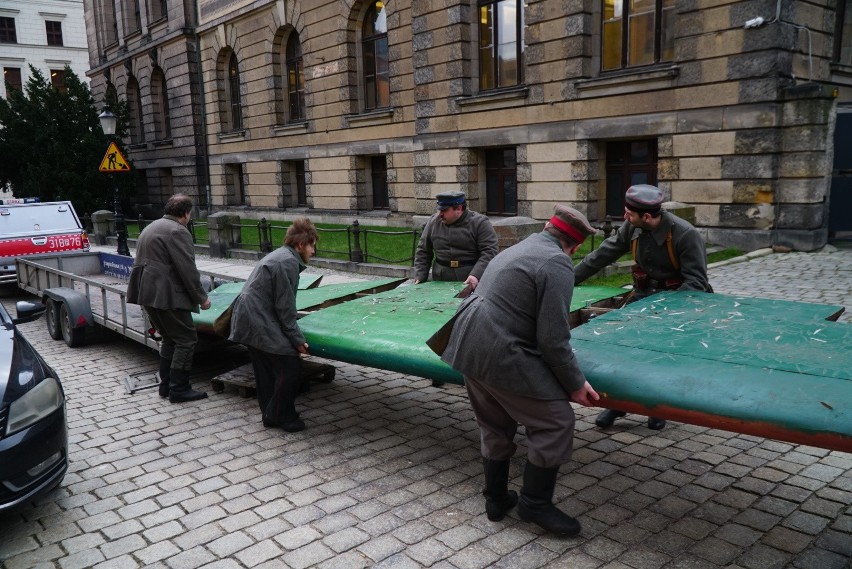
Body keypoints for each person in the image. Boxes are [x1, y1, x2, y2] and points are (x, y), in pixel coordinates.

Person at [439, 205, 600, 536]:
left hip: (466, 342)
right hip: (498, 349)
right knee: (556, 422)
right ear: (577, 245)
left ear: (546, 227)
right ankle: (535, 504)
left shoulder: (521, 246)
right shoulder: (557, 263)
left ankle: (496, 499)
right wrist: (574, 383)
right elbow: (553, 339)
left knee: (495, 423)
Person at [574, 184, 712, 431]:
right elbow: (602, 254)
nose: (625, 217)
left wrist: (661, 312)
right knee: (624, 351)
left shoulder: (684, 234)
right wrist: (567, 278)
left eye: (629, 213)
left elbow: (697, 283)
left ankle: (655, 404)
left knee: (659, 357)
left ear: (647, 217)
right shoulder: (632, 227)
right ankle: (620, 403)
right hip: (644, 296)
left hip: (678, 303)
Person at [228, 218, 318, 433]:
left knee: (266, 370)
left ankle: (272, 413)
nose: (313, 251)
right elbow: (285, 308)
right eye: (312, 245)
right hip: (257, 319)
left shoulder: (283, 256)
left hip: (250, 317)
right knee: (290, 366)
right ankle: (279, 415)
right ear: (300, 245)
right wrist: (297, 341)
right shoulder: (287, 262)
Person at [127, 193, 211, 403]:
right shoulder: (177, 231)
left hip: (148, 294)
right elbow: (187, 270)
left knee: (169, 339)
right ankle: (179, 388)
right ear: (185, 213)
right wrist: (202, 297)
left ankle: (166, 385)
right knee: (186, 339)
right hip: (167, 296)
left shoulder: (152, 226)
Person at [414, 191, 499, 386]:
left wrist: (476, 275)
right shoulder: (434, 222)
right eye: (439, 210)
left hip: (468, 279)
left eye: (444, 210)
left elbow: (490, 251)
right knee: (438, 324)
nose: (440, 214)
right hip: (441, 276)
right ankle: (438, 369)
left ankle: (469, 371)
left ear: (459, 209)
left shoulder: (479, 223)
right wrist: (420, 276)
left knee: (469, 325)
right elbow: (423, 250)